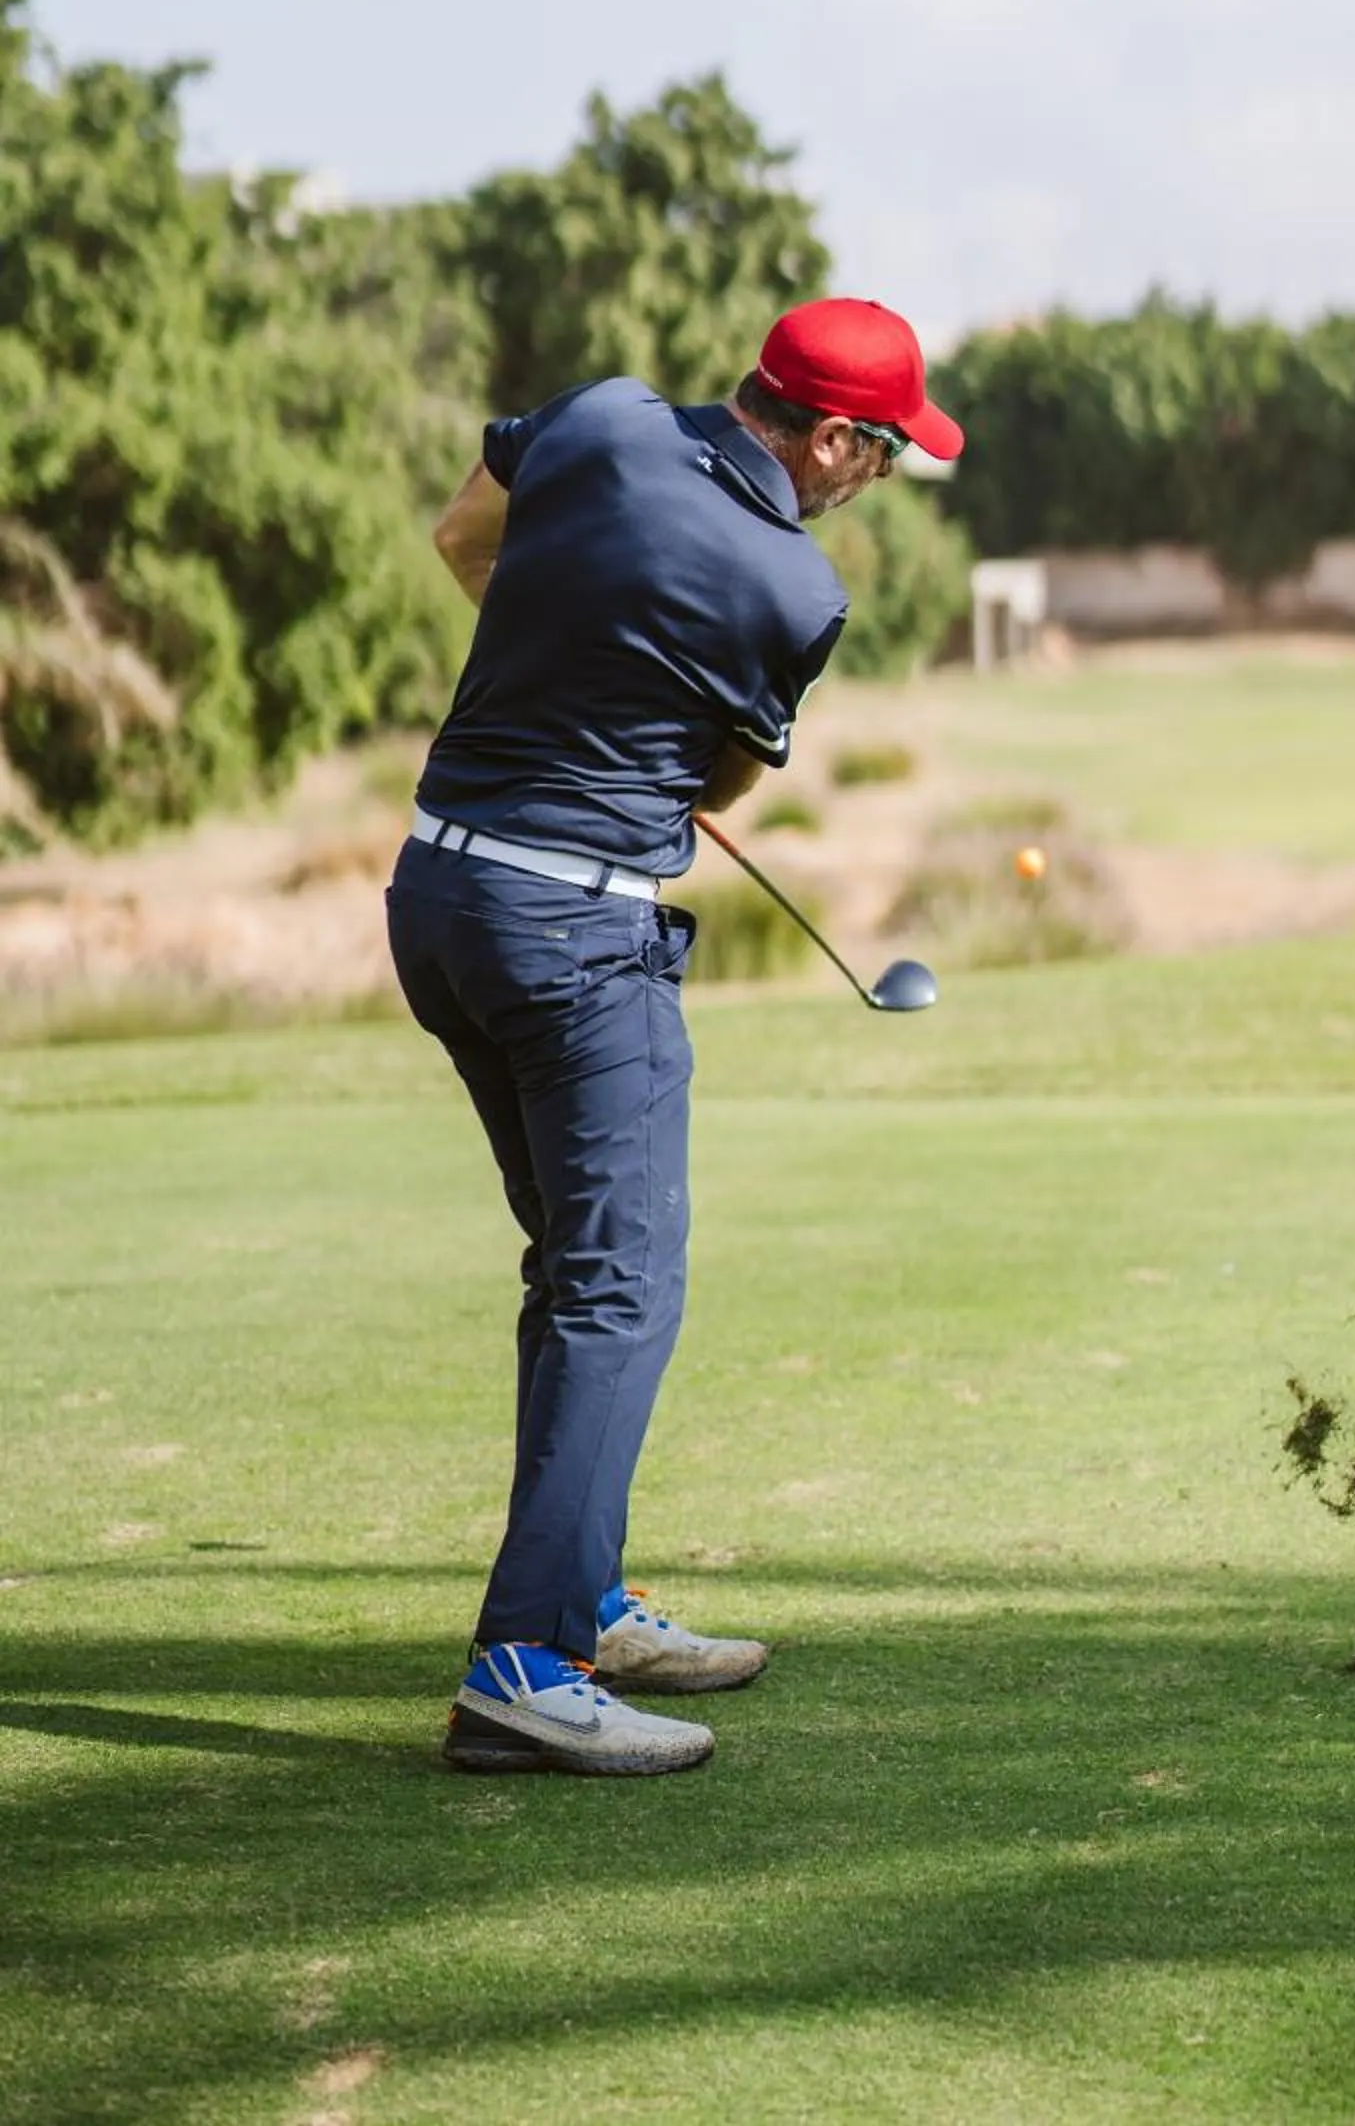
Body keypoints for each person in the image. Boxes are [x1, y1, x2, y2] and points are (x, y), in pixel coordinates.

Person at [386, 296, 964, 1776]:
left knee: (573, 1268)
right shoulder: (792, 586)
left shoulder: (602, 417)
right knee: (621, 1286)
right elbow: (718, 780)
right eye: (884, 454)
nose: (881, 479)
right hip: (575, 943)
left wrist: (570, 664)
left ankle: (582, 1601)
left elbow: (463, 541)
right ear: (827, 439)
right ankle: (524, 1667)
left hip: (439, 897)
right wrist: (618, 708)